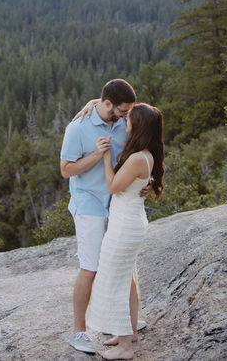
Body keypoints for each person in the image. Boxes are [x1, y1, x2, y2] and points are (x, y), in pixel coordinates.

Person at [60, 78, 143, 354]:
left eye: (128, 111)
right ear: (107, 104)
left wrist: (147, 181)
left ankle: (128, 325)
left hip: (117, 201)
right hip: (89, 204)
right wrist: (96, 155)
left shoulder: (124, 122)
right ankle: (79, 332)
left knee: (125, 265)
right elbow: (66, 170)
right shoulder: (78, 128)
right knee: (91, 267)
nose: (126, 115)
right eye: (122, 110)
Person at [86, 103, 165, 359]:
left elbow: (112, 186)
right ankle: (127, 332)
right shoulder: (147, 155)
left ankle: (125, 349)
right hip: (131, 220)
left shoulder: (135, 159)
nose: (125, 121)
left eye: (130, 118)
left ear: (138, 125)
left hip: (124, 225)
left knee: (115, 280)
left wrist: (106, 157)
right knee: (128, 280)